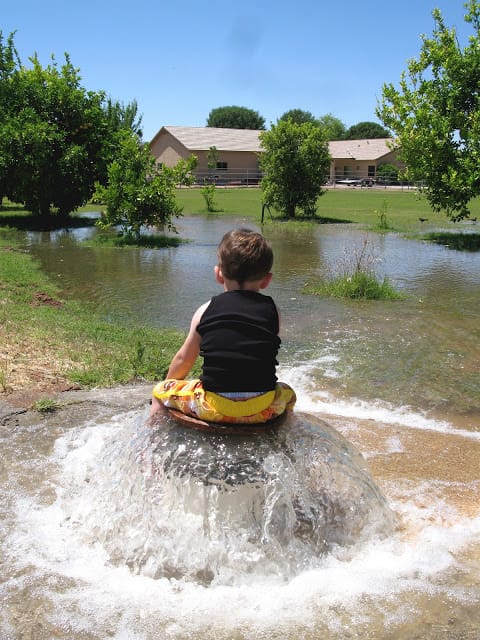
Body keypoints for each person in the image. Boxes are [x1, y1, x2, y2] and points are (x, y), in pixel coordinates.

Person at [150, 228, 296, 424]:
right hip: (262, 407)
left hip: (215, 406)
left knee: (159, 392)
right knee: (289, 393)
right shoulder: (273, 311)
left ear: (219, 274)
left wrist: (170, 384)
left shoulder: (205, 310)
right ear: (267, 280)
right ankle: (282, 430)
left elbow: (185, 358)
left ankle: (153, 431)